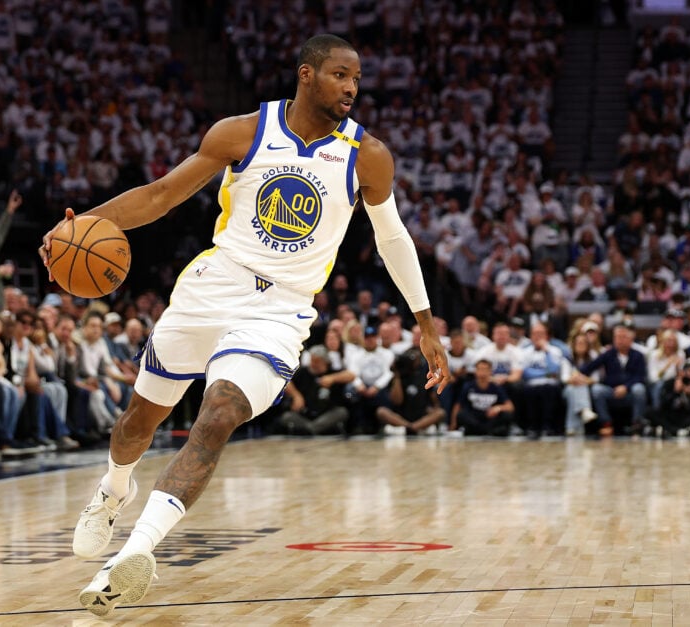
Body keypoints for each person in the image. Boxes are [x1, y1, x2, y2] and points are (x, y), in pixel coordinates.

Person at [39, 34, 449, 616]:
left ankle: (133, 552)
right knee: (137, 422)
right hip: (214, 284)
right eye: (339, 75)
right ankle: (112, 491)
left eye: (356, 78)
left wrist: (425, 323)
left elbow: (393, 238)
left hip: (280, 308)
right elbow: (160, 197)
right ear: (306, 75)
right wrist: (79, 226)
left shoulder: (368, 155)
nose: (352, 88)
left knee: (221, 411)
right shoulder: (241, 132)